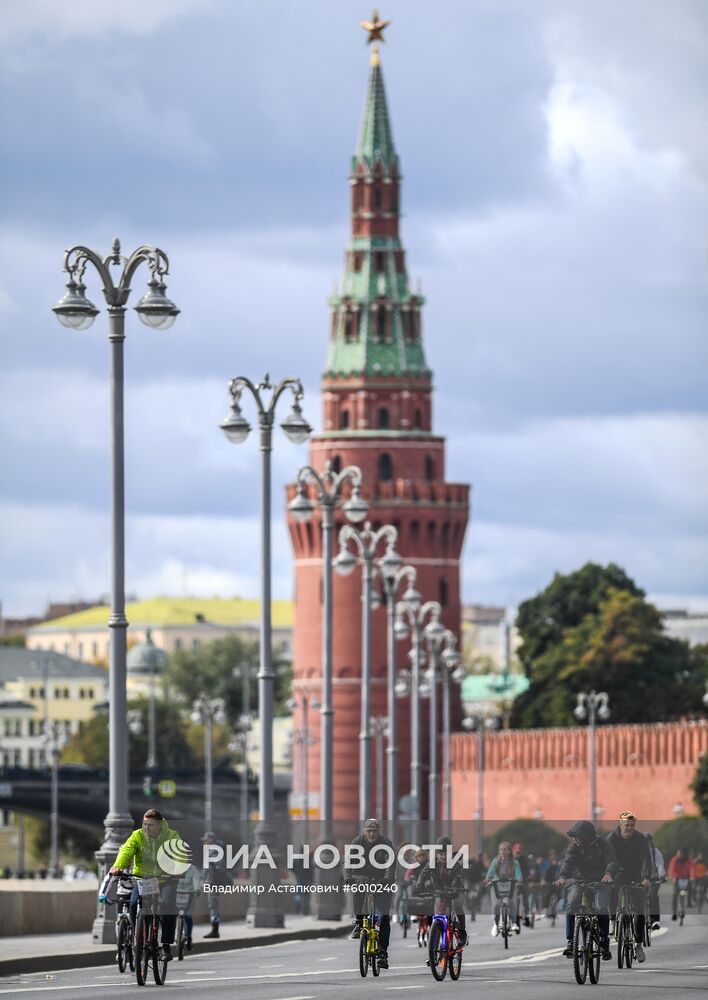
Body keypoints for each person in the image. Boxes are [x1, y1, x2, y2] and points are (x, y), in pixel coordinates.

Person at [110, 808, 185, 962]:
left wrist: (179, 869)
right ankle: (139, 935)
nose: (146, 828)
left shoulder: (171, 836)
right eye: (144, 824)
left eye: (150, 825)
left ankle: (165, 945)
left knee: (168, 905)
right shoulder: (137, 835)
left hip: (166, 879)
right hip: (143, 878)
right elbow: (127, 850)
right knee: (133, 904)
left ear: (159, 825)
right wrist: (118, 866)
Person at [555, 820, 618, 962]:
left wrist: (609, 874)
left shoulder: (603, 845)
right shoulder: (574, 847)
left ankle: (604, 940)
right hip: (579, 882)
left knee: (601, 907)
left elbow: (612, 861)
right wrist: (563, 877)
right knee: (571, 903)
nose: (574, 839)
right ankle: (571, 942)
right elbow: (568, 862)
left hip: (601, 882)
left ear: (586, 836)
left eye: (576, 836)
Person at [344, 818, 396, 969]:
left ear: (379, 832)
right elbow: (349, 861)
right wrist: (348, 877)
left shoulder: (386, 844)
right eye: (369, 831)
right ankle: (359, 922)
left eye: (375, 831)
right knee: (357, 892)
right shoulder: (357, 842)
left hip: (382, 881)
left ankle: (383, 952)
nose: (372, 834)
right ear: (364, 831)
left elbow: (390, 864)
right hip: (361, 878)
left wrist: (387, 879)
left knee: (384, 917)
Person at [606, 810, 651, 963]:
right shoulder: (611, 839)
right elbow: (606, 858)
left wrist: (645, 878)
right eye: (627, 825)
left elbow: (646, 858)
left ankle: (638, 944)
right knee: (611, 891)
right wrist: (608, 874)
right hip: (616, 874)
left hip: (635, 875)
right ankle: (612, 919)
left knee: (639, 910)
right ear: (620, 824)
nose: (629, 828)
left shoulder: (640, 839)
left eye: (632, 825)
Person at [414, 836, 469, 951]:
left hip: (456, 892)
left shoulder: (456, 864)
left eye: (446, 854)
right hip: (440, 892)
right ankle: (433, 951)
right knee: (437, 917)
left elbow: (457, 878)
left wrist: (453, 887)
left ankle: (462, 933)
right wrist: (419, 886)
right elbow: (423, 874)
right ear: (436, 854)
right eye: (441, 854)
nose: (443, 857)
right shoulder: (432, 863)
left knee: (456, 905)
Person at [484, 841, 523, 936]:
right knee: (496, 905)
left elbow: (518, 873)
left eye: (505, 849)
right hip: (497, 885)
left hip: (510, 885)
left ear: (510, 851)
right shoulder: (495, 861)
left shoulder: (514, 862)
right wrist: (488, 878)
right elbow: (491, 871)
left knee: (512, 902)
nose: (503, 851)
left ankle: (513, 922)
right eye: (501, 849)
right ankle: (496, 923)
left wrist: (519, 880)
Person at [201, 832, 225, 938]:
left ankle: (215, 930)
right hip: (212, 882)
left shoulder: (214, 851)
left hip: (213, 883)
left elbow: (219, 868)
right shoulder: (213, 850)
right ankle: (215, 930)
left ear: (211, 840)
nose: (204, 842)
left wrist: (212, 867)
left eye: (206, 840)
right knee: (213, 907)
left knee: (214, 907)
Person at [176, 862, 201, 951]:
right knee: (173, 915)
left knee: (188, 916)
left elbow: (196, 880)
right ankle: (176, 933)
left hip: (190, 894)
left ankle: (189, 937)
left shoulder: (193, 869)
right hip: (176, 893)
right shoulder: (174, 866)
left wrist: (197, 889)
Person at [644, 832, 665, 930]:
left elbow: (660, 865)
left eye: (648, 840)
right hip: (641, 879)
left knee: (653, 896)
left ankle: (655, 920)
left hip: (654, 879)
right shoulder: (637, 851)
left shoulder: (655, 852)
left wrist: (661, 876)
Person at [668, 847, 692, 919]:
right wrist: (672, 877)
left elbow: (692, 868)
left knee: (691, 889)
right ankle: (674, 913)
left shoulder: (688, 860)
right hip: (677, 879)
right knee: (675, 894)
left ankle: (689, 902)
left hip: (686, 878)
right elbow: (671, 869)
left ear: (684, 854)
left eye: (680, 854)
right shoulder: (674, 860)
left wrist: (692, 876)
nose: (678, 855)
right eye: (678, 854)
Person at [512, 841, 530, 926]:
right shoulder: (511, 859)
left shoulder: (525, 859)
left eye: (519, 852)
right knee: (513, 898)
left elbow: (527, 870)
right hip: (513, 881)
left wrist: (524, 877)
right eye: (517, 852)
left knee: (525, 897)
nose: (518, 853)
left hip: (523, 881)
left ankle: (525, 915)